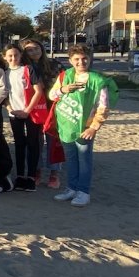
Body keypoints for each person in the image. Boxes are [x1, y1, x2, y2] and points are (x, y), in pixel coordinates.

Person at [49, 43, 118, 207]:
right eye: (77, 59)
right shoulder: (64, 76)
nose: (81, 62)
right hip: (66, 125)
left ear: (90, 58)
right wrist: (63, 90)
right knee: (71, 160)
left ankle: (83, 191)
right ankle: (71, 188)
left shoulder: (98, 80)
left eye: (84, 58)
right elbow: (52, 95)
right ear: (71, 60)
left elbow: (103, 106)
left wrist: (94, 127)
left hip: (85, 128)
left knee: (84, 160)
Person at [21, 37, 65, 188]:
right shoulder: (25, 67)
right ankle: (36, 170)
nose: (34, 52)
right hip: (34, 108)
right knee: (35, 141)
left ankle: (54, 173)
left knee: (53, 140)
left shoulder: (55, 64)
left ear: (42, 48)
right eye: (29, 50)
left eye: (36, 48)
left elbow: (66, 82)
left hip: (53, 107)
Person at [3, 44, 45, 192]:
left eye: (16, 55)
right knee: (19, 144)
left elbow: (38, 91)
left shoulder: (28, 69)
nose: (13, 58)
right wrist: (10, 109)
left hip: (30, 112)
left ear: (20, 55)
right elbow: (4, 94)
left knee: (33, 144)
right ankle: (20, 176)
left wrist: (27, 110)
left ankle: (31, 177)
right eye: (10, 56)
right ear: (5, 57)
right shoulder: (4, 73)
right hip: (14, 113)